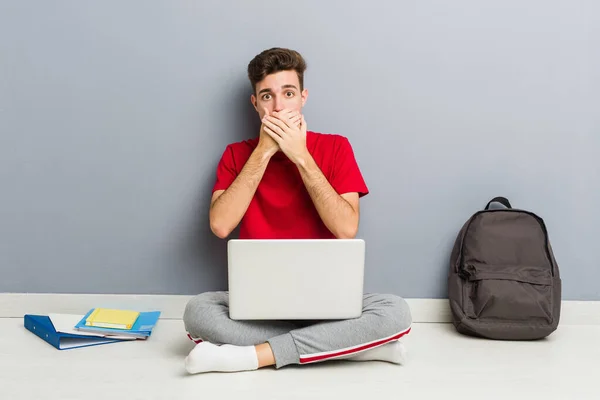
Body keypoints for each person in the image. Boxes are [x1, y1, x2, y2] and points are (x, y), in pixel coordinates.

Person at [183, 48, 412, 374]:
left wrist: (301, 156)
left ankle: (252, 357)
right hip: (258, 305)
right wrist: (263, 152)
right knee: (198, 311)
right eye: (267, 96)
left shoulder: (336, 147)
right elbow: (220, 225)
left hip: (328, 304)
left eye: (288, 94)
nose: (278, 107)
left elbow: (346, 228)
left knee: (395, 311)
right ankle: (345, 347)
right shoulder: (236, 155)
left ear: (303, 97)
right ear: (255, 104)